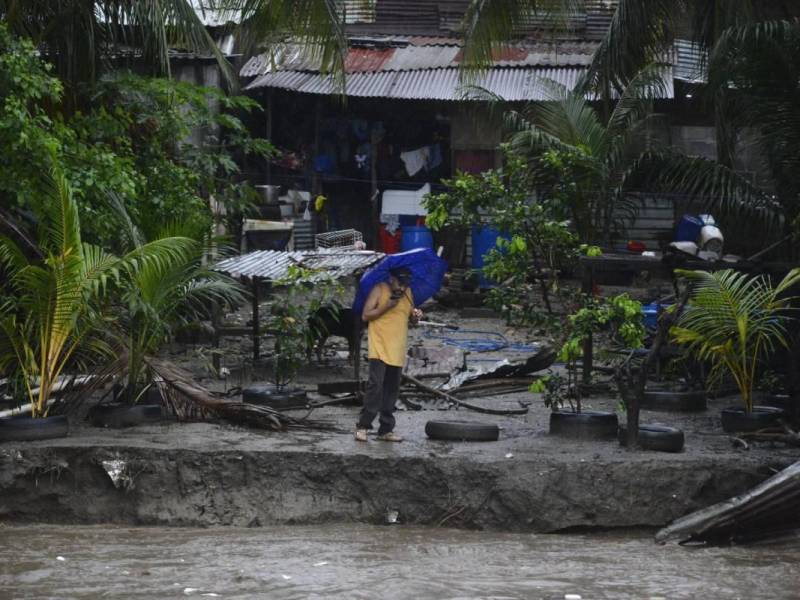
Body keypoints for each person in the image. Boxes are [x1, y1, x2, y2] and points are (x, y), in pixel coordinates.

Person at [355, 267, 422, 442]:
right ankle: (363, 426)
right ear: (391, 278)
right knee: (375, 386)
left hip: (397, 347)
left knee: (392, 390)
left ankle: (385, 429)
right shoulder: (379, 289)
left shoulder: (408, 293)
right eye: (399, 282)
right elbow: (365, 315)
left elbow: (410, 320)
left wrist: (415, 317)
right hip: (379, 345)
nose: (401, 286)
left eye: (405, 283)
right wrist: (387, 306)